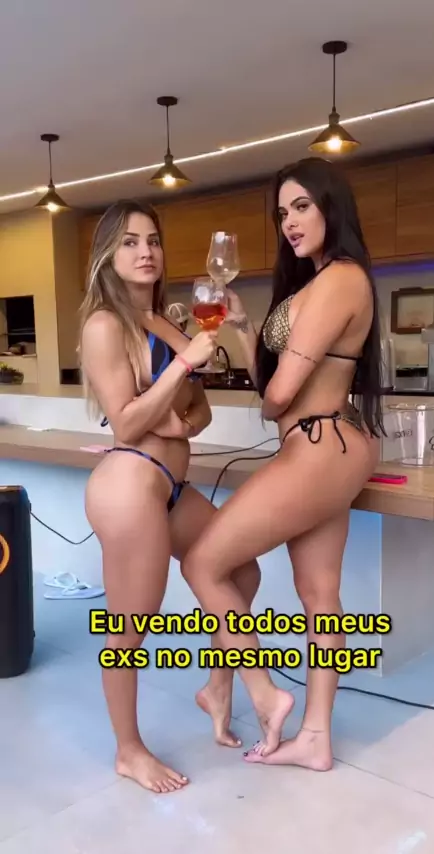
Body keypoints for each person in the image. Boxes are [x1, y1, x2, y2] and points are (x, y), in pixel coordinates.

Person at [181, 157, 385, 772]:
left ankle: (262, 693)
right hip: (328, 441)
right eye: (281, 213)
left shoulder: (341, 279)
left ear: (331, 207)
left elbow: (275, 397)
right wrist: (246, 329)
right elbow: (271, 381)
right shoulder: (315, 284)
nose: (289, 222)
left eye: (301, 206)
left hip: (319, 442)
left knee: (204, 562)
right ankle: (315, 738)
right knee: (319, 593)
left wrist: (255, 382)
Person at [78, 199, 260, 794]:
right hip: (130, 483)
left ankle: (216, 685)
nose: (146, 252)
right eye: (130, 242)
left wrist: (179, 413)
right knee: (131, 628)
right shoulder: (105, 325)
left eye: (153, 240)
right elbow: (128, 423)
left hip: (170, 486)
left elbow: (199, 411)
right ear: (109, 254)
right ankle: (128, 751)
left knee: (241, 569)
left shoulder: (166, 323)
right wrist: (182, 368)